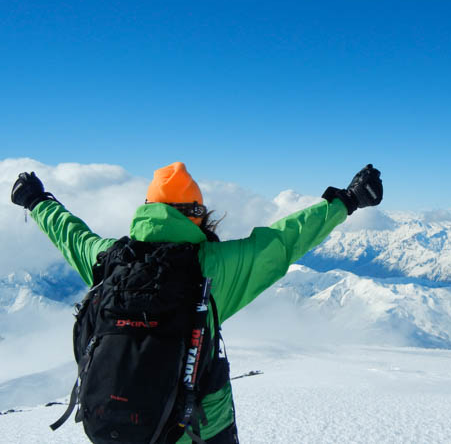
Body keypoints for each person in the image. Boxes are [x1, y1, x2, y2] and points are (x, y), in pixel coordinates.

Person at [10, 162, 383, 443]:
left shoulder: (108, 259)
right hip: (199, 429)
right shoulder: (211, 267)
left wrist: (36, 200)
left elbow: (71, 234)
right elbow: (284, 241)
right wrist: (347, 200)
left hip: (111, 424)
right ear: (194, 213)